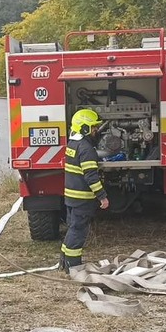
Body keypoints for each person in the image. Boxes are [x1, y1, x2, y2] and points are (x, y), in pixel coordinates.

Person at [60, 108, 109, 272]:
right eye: (93, 127)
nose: (96, 131)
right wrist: (102, 196)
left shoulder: (72, 144)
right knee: (78, 231)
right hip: (82, 199)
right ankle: (73, 266)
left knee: (72, 228)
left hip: (71, 197)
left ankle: (64, 261)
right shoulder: (87, 149)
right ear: (84, 128)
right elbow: (90, 177)